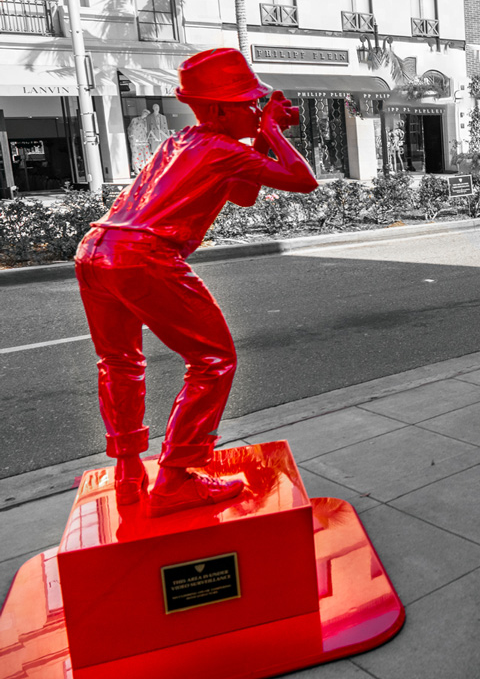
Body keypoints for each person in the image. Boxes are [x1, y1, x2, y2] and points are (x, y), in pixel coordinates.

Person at [75, 48, 318, 517]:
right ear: (220, 110)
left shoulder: (184, 142)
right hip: (142, 256)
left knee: (119, 362)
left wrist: (261, 136)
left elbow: (243, 194)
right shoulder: (221, 150)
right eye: (250, 103)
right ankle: (175, 480)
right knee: (214, 360)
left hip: (96, 250)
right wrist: (271, 131)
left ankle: (129, 475)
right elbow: (303, 180)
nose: (258, 109)